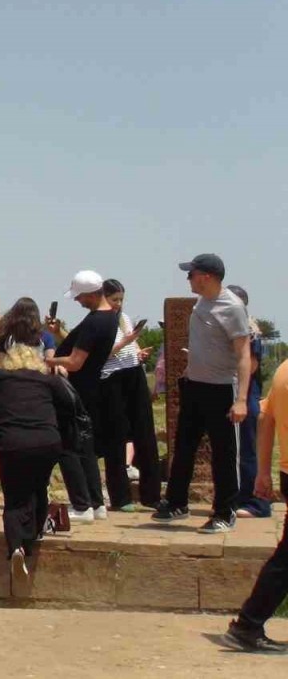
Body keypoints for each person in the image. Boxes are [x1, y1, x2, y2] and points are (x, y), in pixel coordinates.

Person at [153, 254, 252, 533]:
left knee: (223, 453)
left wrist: (242, 399)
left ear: (206, 276)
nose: (188, 279)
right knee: (184, 447)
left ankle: (225, 511)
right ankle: (176, 502)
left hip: (222, 387)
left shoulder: (232, 307)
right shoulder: (201, 302)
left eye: (191, 274)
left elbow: (243, 354)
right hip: (195, 385)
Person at [0, 342, 74, 582]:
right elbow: (69, 401)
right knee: (38, 488)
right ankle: (31, 539)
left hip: (14, 443)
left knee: (15, 497)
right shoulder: (46, 380)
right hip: (47, 441)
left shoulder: (1, 378)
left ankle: (16, 548)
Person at [222, 359, 288, 652]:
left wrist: (263, 471)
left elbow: (265, 419)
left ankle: (248, 624)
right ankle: (248, 624)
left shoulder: (284, 370)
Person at [45, 270, 117, 523]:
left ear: (92, 294)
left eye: (80, 297)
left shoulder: (96, 321)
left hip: (75, 392)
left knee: (68, 447)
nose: (77, 302)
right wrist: (59, 334)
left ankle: (81, 504)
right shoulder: (108, 318)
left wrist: (49, 360)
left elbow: (75, 362)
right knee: (85, 449)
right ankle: (95, 503)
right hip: (88, 390)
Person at [98, 279, 162, 510]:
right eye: (114, 299)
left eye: (121, 300)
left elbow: (130, 347)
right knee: (116, 437)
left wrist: (138, 350)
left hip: (133, 373)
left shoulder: (124, 319)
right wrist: (126, 341)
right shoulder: (97, 322)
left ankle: (151, 493)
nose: (118, 304)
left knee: (144, 433)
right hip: (111, 379)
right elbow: (99, 354)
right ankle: (120, 496)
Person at [230, 285, 270, 519]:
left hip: (246, 394)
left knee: (248, 451)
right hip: (239, 393)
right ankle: (241, 497)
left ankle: (257, 503)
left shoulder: (247, 327)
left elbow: (251, 365)